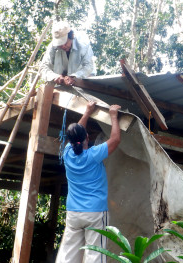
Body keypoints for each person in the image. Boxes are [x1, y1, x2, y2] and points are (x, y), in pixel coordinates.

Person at [56, 103, 122, 263]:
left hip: (74, 213)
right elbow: (115, 139)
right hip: (95, 213)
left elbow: (77, 132)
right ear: (87, 137)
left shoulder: (67, 154)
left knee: (68, 254)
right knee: (95, 255)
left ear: (70, 140)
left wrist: (86, 112)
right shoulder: (93, 155)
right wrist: (113, 115)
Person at [41, 21, 96, 87]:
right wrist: (55, 77)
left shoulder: (83, 44)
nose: (63, 46)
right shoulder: (52, 47)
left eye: (65, 43)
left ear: (71, 36)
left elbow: (89, 66)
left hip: (82, 83)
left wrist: (74, 76)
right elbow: (43, 67)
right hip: (60, 86)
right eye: (60, 44)